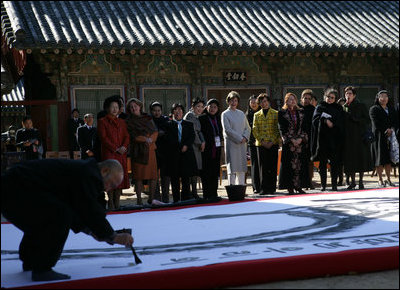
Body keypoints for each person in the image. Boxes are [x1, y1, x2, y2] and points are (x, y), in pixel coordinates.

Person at [1, 158, 133, 282]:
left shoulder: (82, 172)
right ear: (104, 171)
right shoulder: (88, 174)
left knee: (45, 218)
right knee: (59, 216)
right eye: (110, 183)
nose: (107, 189)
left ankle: (31, 261)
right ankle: (42, 268)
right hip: (17, 189)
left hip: (14, 189)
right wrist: (112, 235)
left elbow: (77, 207)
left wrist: (93, 232)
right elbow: (88, 209)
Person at [97, 98, 130, 210]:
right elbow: (103, 138)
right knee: (110, 178)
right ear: (107, 108)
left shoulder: (122, 122)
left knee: (120, 178)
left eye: (117, 107)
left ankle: (118, 202)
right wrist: (116, 148)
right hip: (109, 153)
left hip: (121, 154)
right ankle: (110, 202)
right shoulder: (102, 121)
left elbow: (127, 136)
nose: (115, 109)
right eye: (112, 107)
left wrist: (124, 147)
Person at [126, 98, 159, 205]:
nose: (133, 108)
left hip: (150, 150)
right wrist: (145, 139)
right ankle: (139, 199)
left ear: (139, 106)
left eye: (135, 106)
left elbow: (155, 131)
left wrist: (151, 139)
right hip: (138, 150)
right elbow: (133, 135)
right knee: (138, 176)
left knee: (153, 176)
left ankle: (152, 198)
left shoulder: (147, 118)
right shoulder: (129, 121)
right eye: (131, 107)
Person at [311, 88, 345, 191]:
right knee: (322, 163)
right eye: (328, 97)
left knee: (334, 163)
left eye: (332, 97)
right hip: (322, 139)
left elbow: (341, 121)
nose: (329, 99)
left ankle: (334, 184)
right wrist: (325, 120)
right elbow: (315, 120)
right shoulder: (320, 107)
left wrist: (334, 123)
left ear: (335, 98)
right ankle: (323, 185)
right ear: (324, 96)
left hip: (335, 139)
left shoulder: (338, 108)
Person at [278, 92, 311, 194]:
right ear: (286, 101)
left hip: (300, 143)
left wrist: (301, 139)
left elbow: (305, 127)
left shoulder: (301, 112)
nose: (292, 101)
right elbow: (282, 128)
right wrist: (291, 139)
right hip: (289, 143)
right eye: (290, 99)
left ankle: (299, 186)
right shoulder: (282, 113)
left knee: (301, 164)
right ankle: (290, 187)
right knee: (289, 165)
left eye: (294, 99)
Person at [342, 86, 374, 190]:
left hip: (359, 136)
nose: (348, 95)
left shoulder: (361, 105)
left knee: (360, 159)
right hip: (348, 138)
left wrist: (356, 119)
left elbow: (367, 120)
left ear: (354, 95)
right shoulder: (344, 106)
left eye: (350, 93)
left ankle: (360, 181)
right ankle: (352, 182)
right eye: (346, 94)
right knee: (350, 160)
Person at [165, 103, 197, 202]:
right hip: (174, 155)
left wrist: (186, 145)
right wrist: (180, 147)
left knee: (185, 179)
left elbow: (192, 136)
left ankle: (185, 199)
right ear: (172, 112)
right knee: (174, 179)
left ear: (183, 112)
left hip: (186, 155)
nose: (177, 112)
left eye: (180, 110)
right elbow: (168, 139)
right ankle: (176, 200)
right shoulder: (168, 125)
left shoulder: (189, 124)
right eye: (175, 110)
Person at [252, 93, 281, 195]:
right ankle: (263, 188)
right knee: (262, 167)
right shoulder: (256, 114)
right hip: (261, 144)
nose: (263, 103)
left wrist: (272, 141)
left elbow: (278, 129)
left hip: (273, 143)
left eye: (265, 101)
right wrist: (262, 141)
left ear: (268, 102)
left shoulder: (275, 113)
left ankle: (272, 187)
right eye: (261, 102)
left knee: (272, 166)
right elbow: (255, 129)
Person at [369, 90, 399, 187]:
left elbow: (395, 120)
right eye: (381, 96)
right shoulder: (374, 109)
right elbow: (376, 123)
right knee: (380, 158)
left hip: (390, 137)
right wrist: (386, 130)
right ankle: (380, 179)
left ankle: (388, 179)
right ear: (378, 98)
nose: (384, 98)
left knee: (389, 159)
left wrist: (392, 129)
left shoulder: (391, 109)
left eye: (386, 96)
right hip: (379, 137)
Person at [221, 91, 251, 186]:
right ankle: (232, 188)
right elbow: (228, 130)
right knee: (232, 167)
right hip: (232, 143)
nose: (233, 103)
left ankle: (241, 188)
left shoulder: (241, 113)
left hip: (242, 144)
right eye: (231, 100)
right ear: (228, 101)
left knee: (241, 167)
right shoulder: (225, 114)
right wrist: (239, 138)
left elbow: (248, 127)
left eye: (235, 100)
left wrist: (245, 137)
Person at [199, 99, 224, 201]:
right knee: (206, 173)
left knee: (215, 172)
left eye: (215, 107)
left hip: (216, 148)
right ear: (207, 107)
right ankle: (207, 194)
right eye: (211, 106)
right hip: (206, 149)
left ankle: (214, 193)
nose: (212, 109)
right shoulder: (202, 118)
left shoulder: (218, 118)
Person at [184, 98, 206, 199]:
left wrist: (203, 141)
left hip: (197, 146)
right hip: (191, 146)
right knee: (191, 170)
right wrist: (200, 142)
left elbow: (199, 131)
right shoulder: (189, 116)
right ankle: (190, 192)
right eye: (198, 106)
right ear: (193, 107)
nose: (200, 109)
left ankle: (194, 191)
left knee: (196, 170)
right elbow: (192, 132)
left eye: (202, 107)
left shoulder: (197, 117)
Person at [150, 101, 171, 203]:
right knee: (154, 175)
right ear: (151, 111)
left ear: (161, 111)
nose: (157, 113)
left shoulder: (166, 120)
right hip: (153, 150)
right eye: (154, 111)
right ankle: (156, 197)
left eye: (158, 110)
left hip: (165, 151)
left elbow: (169, 132)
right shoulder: (149, 121)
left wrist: (159, 133)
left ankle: (166, 198)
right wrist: (159, 133)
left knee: (165, 175)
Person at [300, 89, 316, 189]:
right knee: (300, 162)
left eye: (309, 99)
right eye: (305, 98)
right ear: (301, 99)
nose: (306, 100)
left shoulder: (313, 109)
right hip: (299, 139)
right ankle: (301, 182)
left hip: (310, 139)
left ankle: (309, 181)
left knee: (310, 162)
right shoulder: (297, 109)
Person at [245, 95, 261, 193]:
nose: (254, 104)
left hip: (262, 142)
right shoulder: (246, 115)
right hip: (252, 142)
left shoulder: (261, 113)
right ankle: (256, 187)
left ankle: (263, 185)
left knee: (262, 164)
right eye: (252, 102)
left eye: (255, 102)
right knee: (254, 165)